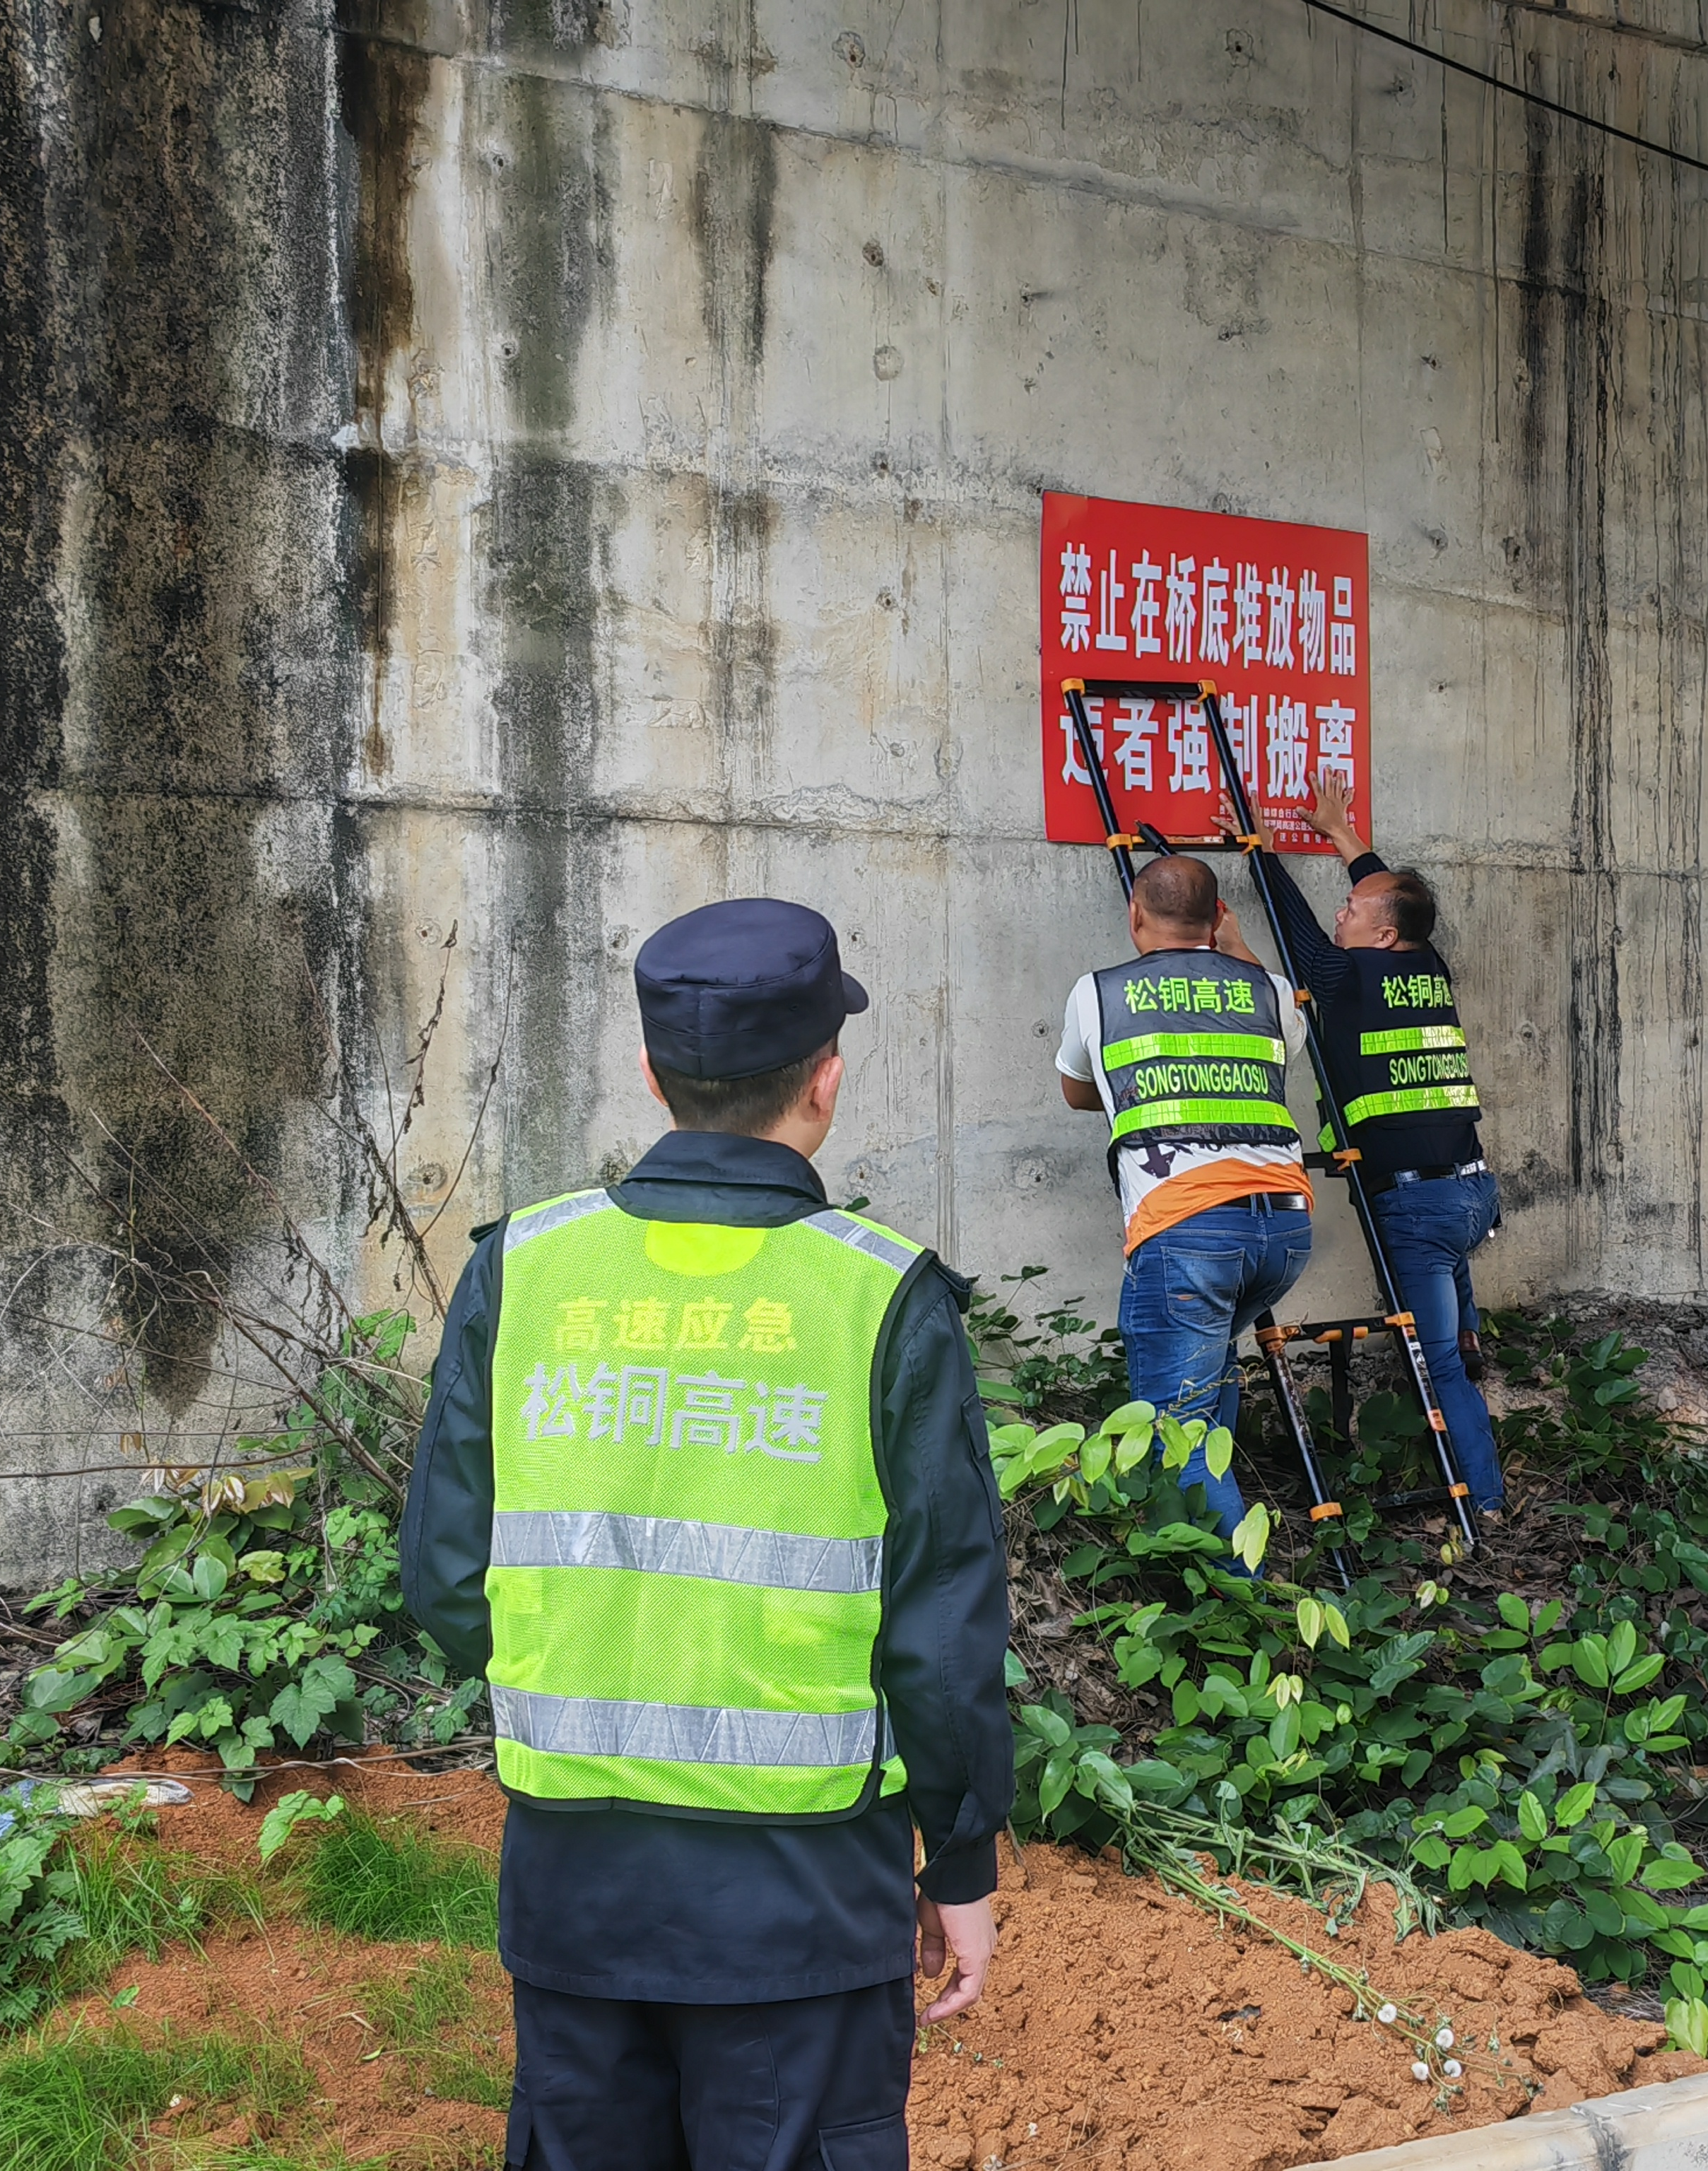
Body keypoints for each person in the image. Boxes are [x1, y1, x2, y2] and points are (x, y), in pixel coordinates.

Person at [400, 898, 1014, 2171]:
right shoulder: (878, 1297)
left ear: (652, 1076)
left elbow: (448, 1576)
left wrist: (593, 1672)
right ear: (824, 1083)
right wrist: (958, 1859)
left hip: (576, 1891)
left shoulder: (527, 1268)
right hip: (800, 1911)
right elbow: (941, 1635)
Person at [1249, 775, 1506, 1518]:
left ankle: (1482, 1503)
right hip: (1469, 1191)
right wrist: (1343, 835)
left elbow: (1297, 936)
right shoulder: (1426, 964)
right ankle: (1467, 1336)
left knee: (1436, 1372)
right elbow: (1387, 897)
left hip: (1419, 1206)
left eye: (1353, 911)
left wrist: (1262, 854)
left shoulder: (1348, 975)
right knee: (1453, 1343)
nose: (1341, 910)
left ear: (1381, 933)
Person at [1055, 851, 1312, 1543]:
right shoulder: (1272, 993)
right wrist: (1235, 949)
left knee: (1176, 1434)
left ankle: (1237, 1606)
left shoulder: (1099, 992)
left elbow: (1080, 1090)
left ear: (1135, 914)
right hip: (1283, 1231)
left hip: (1187, 1229)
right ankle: (1211, 1560)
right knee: (1208, 1374)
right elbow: (1281, 1045)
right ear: (1217, 918)